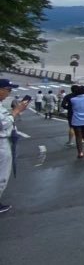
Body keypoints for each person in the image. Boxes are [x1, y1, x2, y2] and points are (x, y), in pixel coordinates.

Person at [1, 78, 31, 214]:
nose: (9, 93)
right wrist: (16, 111)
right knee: (2, 175)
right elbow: (3, 124)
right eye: (8, 90)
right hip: (1, 143)